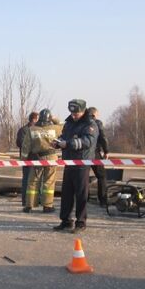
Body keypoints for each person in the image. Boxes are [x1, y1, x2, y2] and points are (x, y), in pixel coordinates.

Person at [52, 99, 98, 233]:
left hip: (82, 164)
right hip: (69, 163)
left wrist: (68, 144)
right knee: (66, 194)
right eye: (72, 113)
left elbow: (87, 141)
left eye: (76, 113)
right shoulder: (69, 123)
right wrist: (57, 142)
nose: (74, 115)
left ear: (83, 111)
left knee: (81, 194)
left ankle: (81, 222)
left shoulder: (90, 124)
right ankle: (66, 221)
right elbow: (63, 136)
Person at [21, 109, 62, 213]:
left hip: (37, 158)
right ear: (49, 118)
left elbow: (25, 145)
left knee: (33, 181)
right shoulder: (55, 128)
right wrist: (54, 118)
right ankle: (47, 206)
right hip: (51, 158)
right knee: (49, 182)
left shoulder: (32, 129)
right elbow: (62, 124)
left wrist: (24, 159)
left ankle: (29, 205)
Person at [16, 112, 39, 206]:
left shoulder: (36, 130)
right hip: (28, 159)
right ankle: (25, 200)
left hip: (35, 158)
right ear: (34, 119)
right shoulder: (24, 130)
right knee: (27, 179)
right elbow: (20, 143)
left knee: (35, 180)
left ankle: (34, 200)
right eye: (38, 119)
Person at [89, 107, 109, 206]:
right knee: (102, 176)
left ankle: (83, 199)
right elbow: (103, 137)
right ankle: (103, 200)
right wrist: (106, 151)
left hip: (82, 154)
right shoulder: (97, 123)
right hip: (95, 153)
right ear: (94, 114)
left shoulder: (80, 123)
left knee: (82, 176)